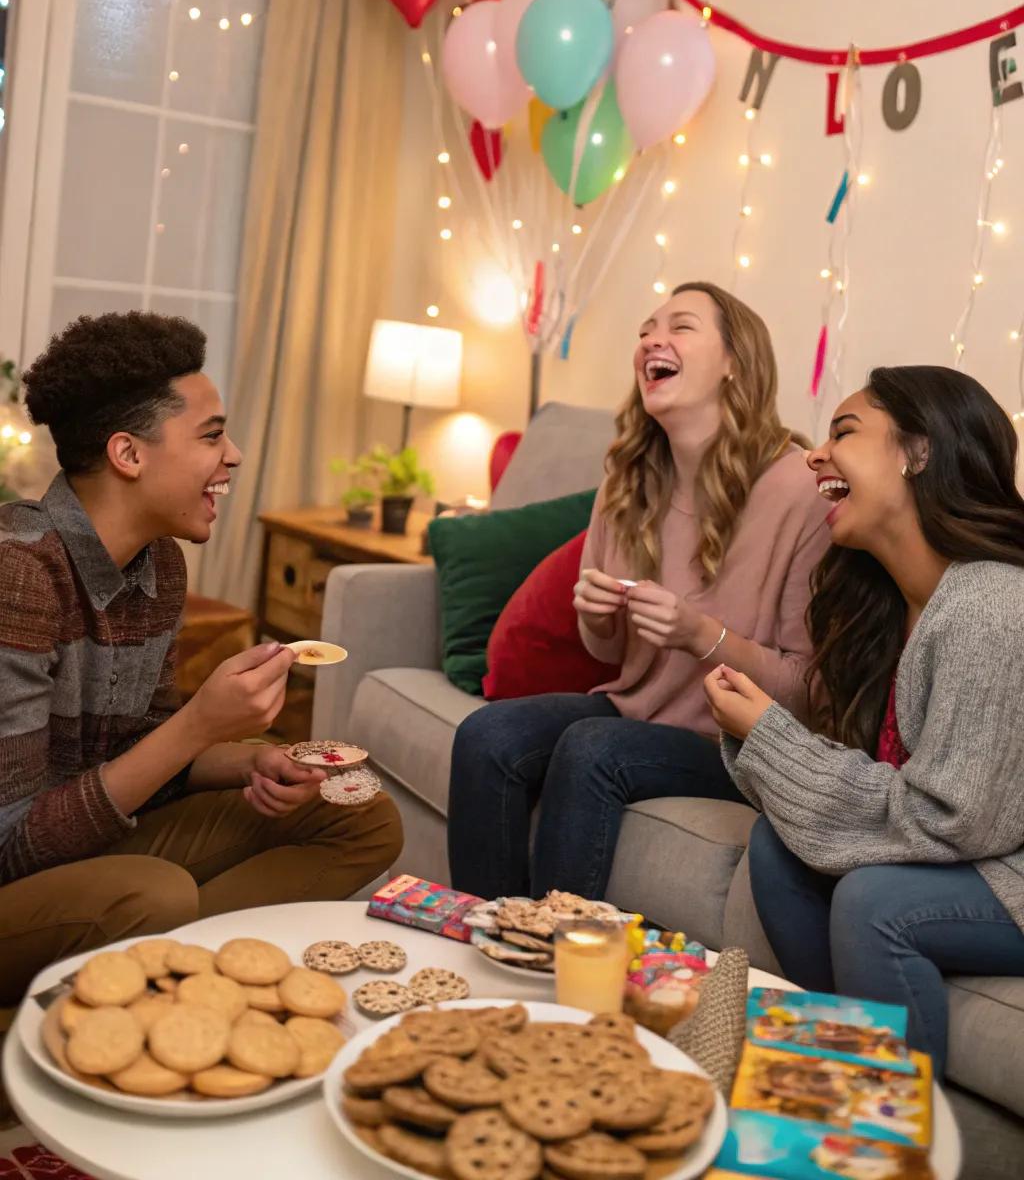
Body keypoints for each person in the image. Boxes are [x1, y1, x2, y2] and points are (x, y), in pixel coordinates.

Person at [0, 312, 402, 1010]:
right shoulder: (19, 575)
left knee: (359, 811)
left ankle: (179, 989)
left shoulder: (159, 565)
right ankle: (151, 998)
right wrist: (199, 727)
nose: (234, 456)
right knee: (156, 893)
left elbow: (139, 749)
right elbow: (12, 846)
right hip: (15, 875)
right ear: (129, 454)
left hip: (89, 843)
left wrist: (253, 760)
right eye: (212, 436)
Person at [448, 282, 829, 902]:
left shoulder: (799, 491)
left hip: (739, 744)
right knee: (486, 736)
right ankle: (482, 938)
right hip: (636, 711)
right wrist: (597, 616)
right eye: (647, 329)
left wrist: (700, 635)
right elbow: (606, 654)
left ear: (735, 362)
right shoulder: (628, 479)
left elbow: (807, 692)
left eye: (680, 327)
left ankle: (554, 952)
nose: (653, 339)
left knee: (592, 747)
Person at [705, 365, 1024, 1078]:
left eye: (844, 433)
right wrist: (767, 732)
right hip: (974, 849)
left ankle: (884, 1123)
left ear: (919, 451)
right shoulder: (890, 602)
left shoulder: (990, 604)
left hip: (1008, 865)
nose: (815, 455)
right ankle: (835, 1073)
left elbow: (956, 820)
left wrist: (769, 738)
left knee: (875, 902)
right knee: (779, 849)